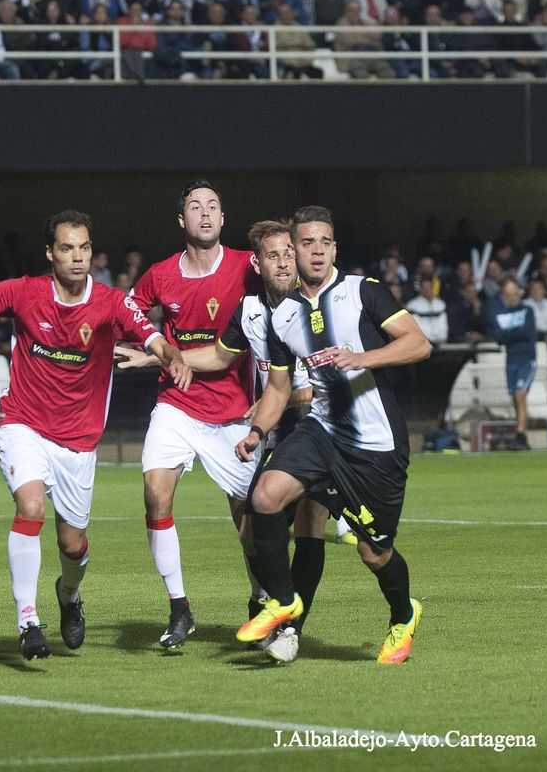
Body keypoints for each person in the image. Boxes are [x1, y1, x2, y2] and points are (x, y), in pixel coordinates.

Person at [0, 210, 190, 660]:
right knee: (29, 506)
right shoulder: (23, 292)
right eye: (68, 248)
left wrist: (170, 354)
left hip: (77, 442)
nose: (77, 257)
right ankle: (28, 621)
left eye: (85, 248)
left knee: (72, 545)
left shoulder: (110, 302)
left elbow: (152, 336)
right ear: (50, 253)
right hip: (23, 424)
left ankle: (69, 597)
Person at [117, 220, 330, 662]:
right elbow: (218, 354)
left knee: (360, 544)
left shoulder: (316, 307)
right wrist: (154, 354)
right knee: (272, 523)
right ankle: (276, 622)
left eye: (289, 252)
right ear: (259, 264)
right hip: (263, 428)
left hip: (329, 433)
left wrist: (273, 402)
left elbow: (315, 388)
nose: (284, 260)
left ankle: (399, 611)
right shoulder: (251, 308)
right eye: (274, 255)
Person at [233, 205, 431, 664]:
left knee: (374, 553)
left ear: (335, 248)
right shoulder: (282, 316)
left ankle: (403, 614)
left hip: (376, 447)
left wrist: (365, 358)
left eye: (324, 241)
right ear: (293, 250)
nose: (316, 250)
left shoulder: (364, 292)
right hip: (322, 432)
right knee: (264, 496)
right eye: (306, 243)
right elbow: (280, 386)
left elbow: (418, 344)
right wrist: (258, 430)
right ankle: (283, 602)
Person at [127, 180, 261, 649]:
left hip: (235, 410)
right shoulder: (161, 275)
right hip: (177, 405)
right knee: (154, 492)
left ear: (223, 220)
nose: (205, 214)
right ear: (181, 220)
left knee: (249, 518)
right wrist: (153, 347)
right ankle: (179, 607)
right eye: (195, 207)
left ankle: (262, 599)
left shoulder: (249, 266)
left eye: (213, 207)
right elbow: (130, 310)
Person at [488, 278, 537, 450]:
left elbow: (527, 331)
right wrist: (515, 333)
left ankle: (521, 433)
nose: (511, 296)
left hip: (526, 359)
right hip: (511, 360)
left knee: (520, 395)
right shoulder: (501, 314)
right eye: (508, 293)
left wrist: (510, 333)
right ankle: (521, 434)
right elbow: (499, 337)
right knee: (516, 398)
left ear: (518, 293)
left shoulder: (527, 310)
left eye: (514, 292)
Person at [405, 274, 449, 345]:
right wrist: (428, 341)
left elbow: (443, 324)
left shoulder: (440, 304)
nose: (428, 290)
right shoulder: (412, 305)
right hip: (422, 344)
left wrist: (442, 338)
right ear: (420, 289)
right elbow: (417, 327)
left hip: (441, 344)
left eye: (430, 287)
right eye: (425, 288)